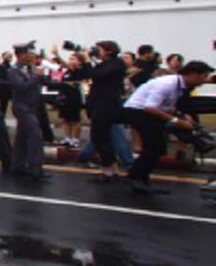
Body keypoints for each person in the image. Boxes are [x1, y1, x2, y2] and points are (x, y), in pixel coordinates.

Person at [122, 60, 213, 195]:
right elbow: (150, 107)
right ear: (193, 74)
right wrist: (177, 121)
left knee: (157, 147)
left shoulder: (181, 85)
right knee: (154, 146)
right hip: (137, 111)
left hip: (149, 112)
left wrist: (181, 115)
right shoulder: (167, 84)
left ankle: (140, 178)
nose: (204, 80)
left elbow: (167, 105)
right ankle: (136, 177)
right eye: (204, 76)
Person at [75, 40, 127, 182]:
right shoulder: (105, 64)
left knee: (100, 138)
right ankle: (112, 170)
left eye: (99, 49)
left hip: (106, 106)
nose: (96, 52)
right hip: (99, 105)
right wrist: (83, 61)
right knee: (103, 139)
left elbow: (98, 76)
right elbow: (86, 75)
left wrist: (87, 60)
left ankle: (108, 171)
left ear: (109, 51)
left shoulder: (117, 63)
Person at [9, 41, 51, 181]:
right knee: (36, 136)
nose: (33, 56)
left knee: (21, 137)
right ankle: (35, 169)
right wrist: (36, 77)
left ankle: (17, 165)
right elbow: (21, 87)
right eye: (30, 53)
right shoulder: (13, 70)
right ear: (21, 55)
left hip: (33, 107)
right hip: (22, 107)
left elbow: (45, 82)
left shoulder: (31, 69)